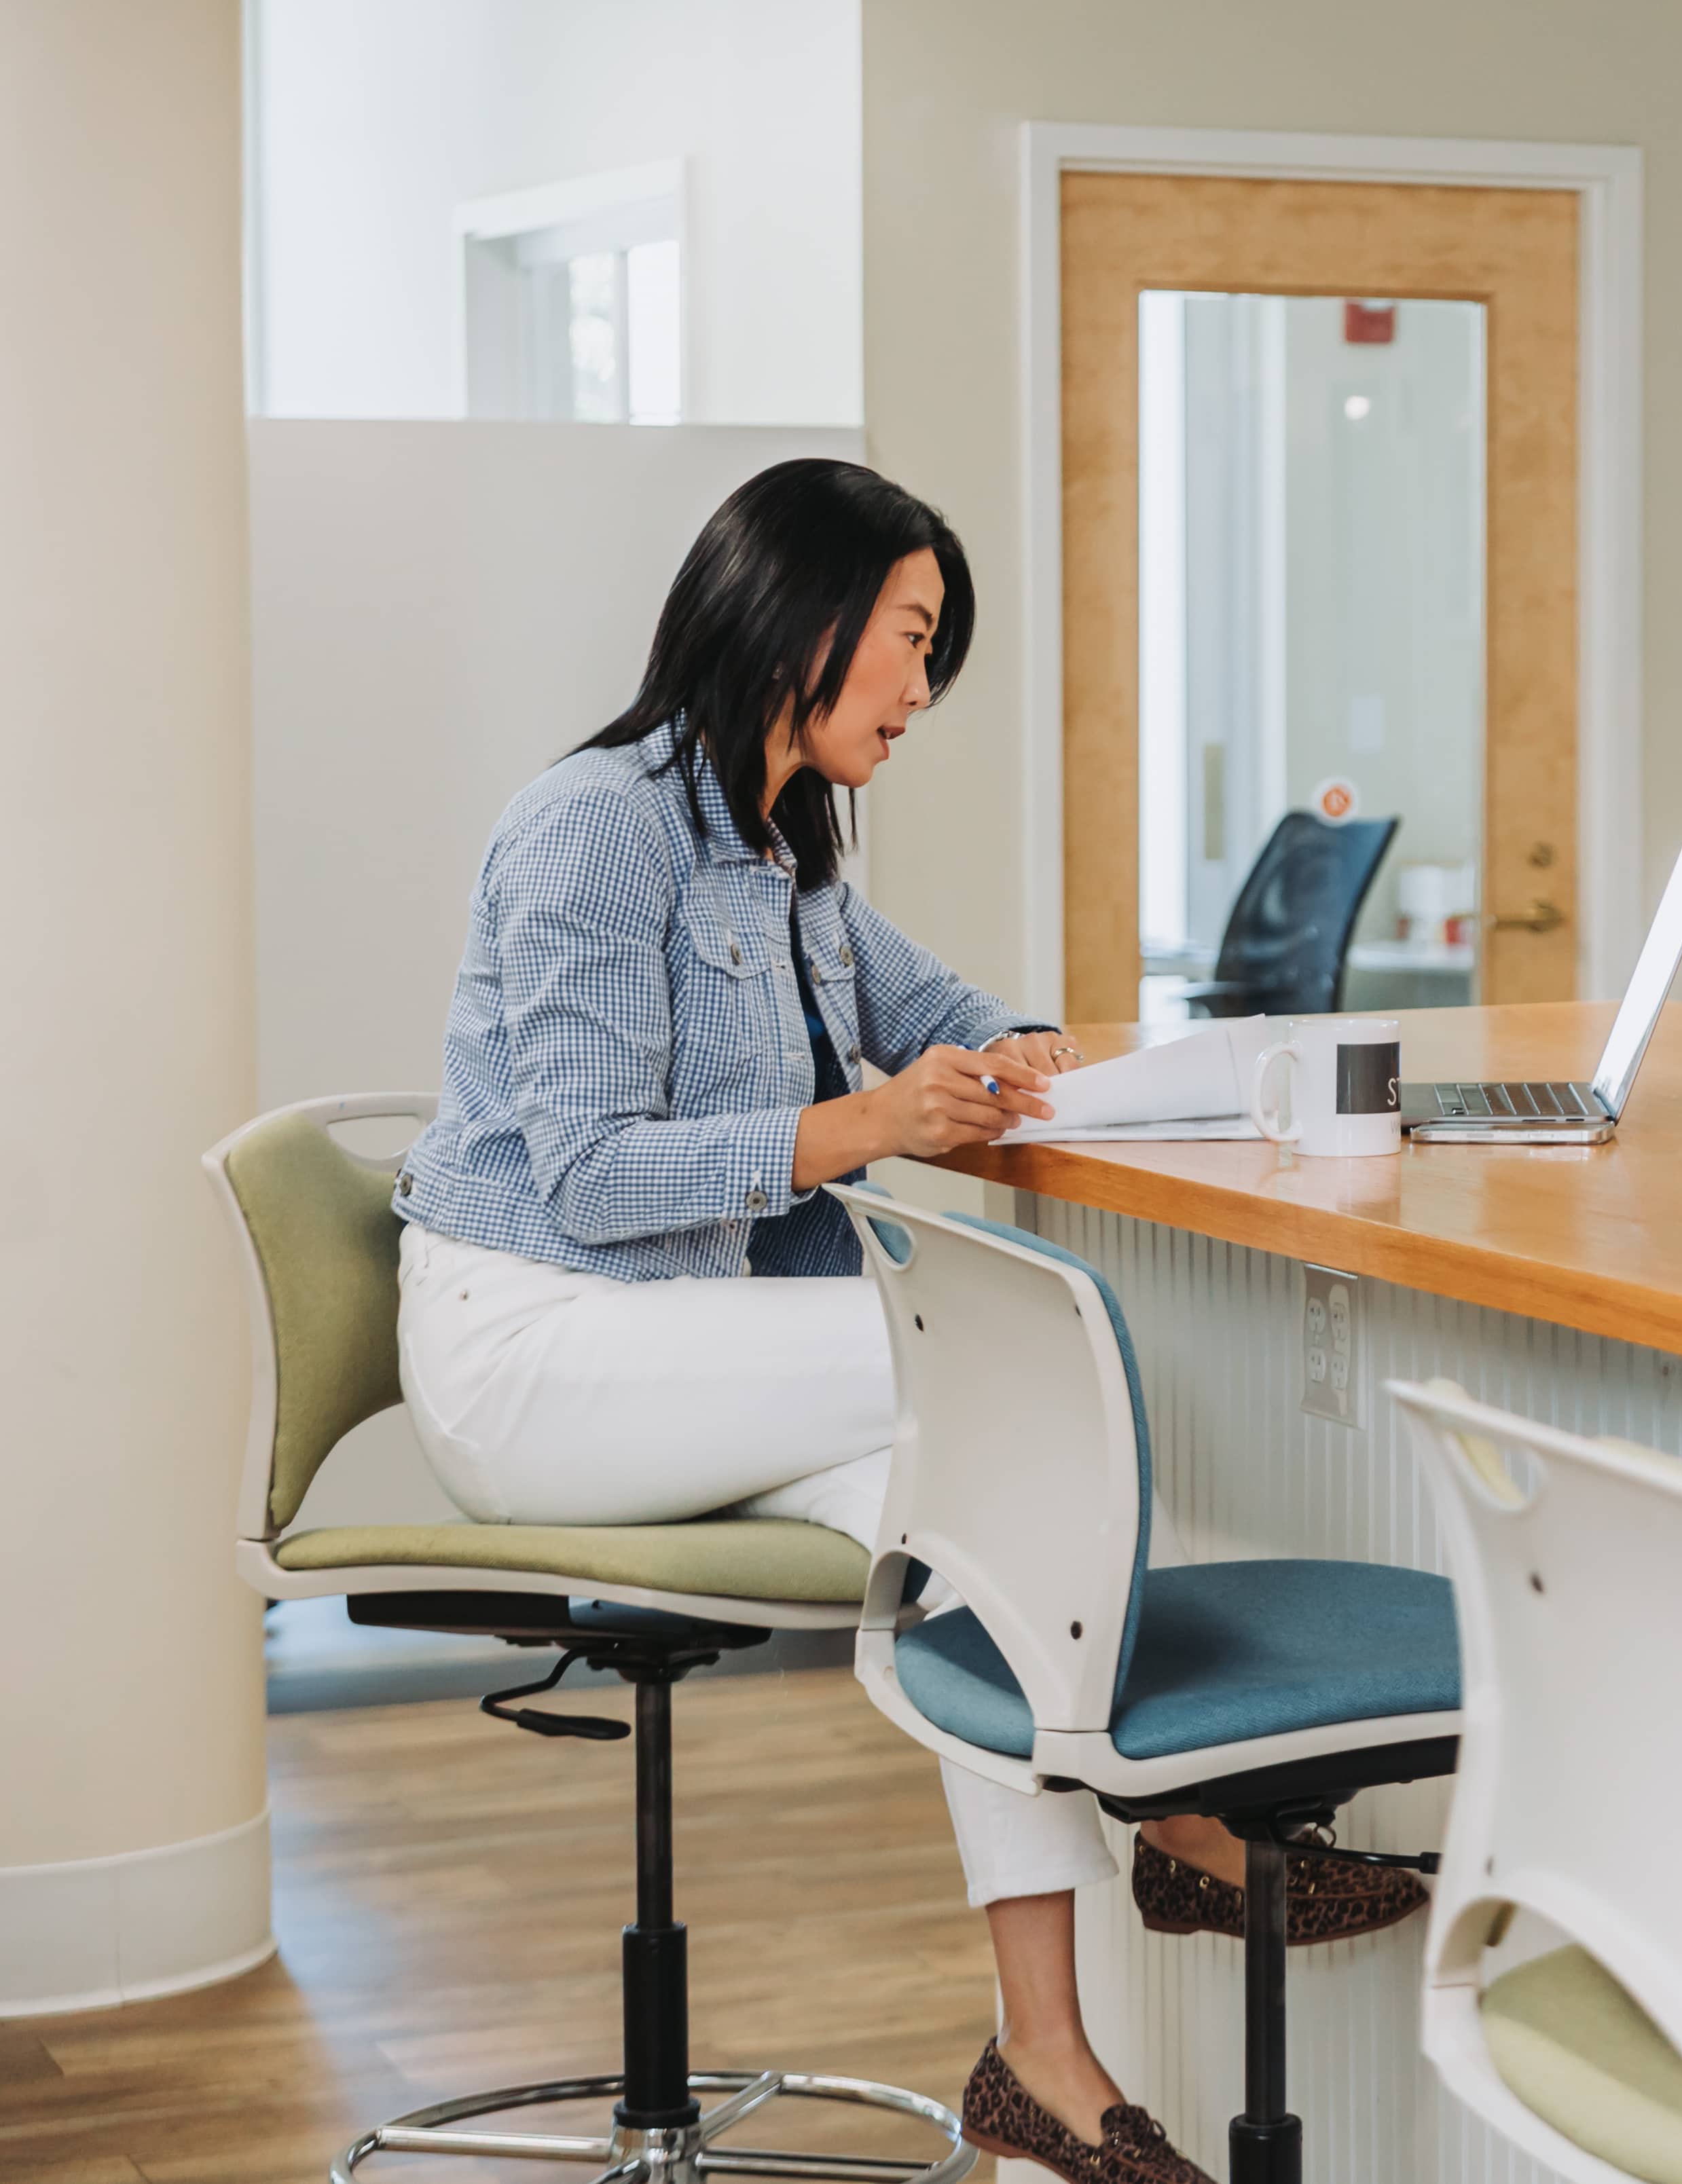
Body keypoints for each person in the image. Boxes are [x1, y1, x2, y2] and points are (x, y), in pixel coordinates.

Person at [388, 461, 1407, 2184]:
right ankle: (1163, 1810)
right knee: (990, 1375)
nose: (925, 691)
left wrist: (1034, 1054)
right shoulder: (593, 826)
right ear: (807, 616)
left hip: (679, 1358)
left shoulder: (787, 848)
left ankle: (1044, 2055)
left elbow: (934, 1006)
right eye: (915, 642)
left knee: (966, 1512)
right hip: (537, 1345)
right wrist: (863, 1125)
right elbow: (580, 1174)